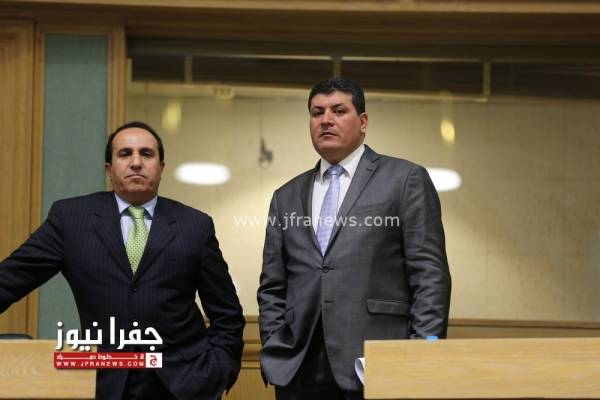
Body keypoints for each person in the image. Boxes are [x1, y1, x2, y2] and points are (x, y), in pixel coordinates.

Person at [0, 121, 245, 400]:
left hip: (184, 383)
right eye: (125, 153)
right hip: (105, 382)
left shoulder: (195, 225)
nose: (136, 162)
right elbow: (9, 280)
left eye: (147, 154)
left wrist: (218, 371)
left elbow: (227, 313)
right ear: (109, 168)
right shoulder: (70, 219)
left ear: (161, 167)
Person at [257, 77, 451, 400]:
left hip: (376, 366)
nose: (326, 120)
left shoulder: (404, 179)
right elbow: (272, 287)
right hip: (298, 371)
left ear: (362, 122)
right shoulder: (285, 196)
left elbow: (430, 276)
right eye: (317, 112)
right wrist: (275, 342)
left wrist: (422, 355)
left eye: (338, 111)